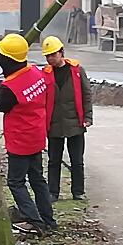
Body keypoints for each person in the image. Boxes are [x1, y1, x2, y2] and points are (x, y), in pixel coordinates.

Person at [0, 33, 56, 234]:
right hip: (36, 136)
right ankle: (48, 219)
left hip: (20, 141)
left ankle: (33, 220)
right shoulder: (36, 73)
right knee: (37, 179)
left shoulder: (10, 87)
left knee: (16, 182)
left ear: (7, 61)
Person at [41, 36, 93, 201]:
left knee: (77, 160)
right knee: (53, 161)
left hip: (75, 122)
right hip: (54, 123)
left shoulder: (77, 71)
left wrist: (88, 117)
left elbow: (86, 94)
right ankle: (52, 192)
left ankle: (78, 191)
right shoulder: (45, 74)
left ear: (61, 53)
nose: (50, 58)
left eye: (53, 54)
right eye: (47, 56)